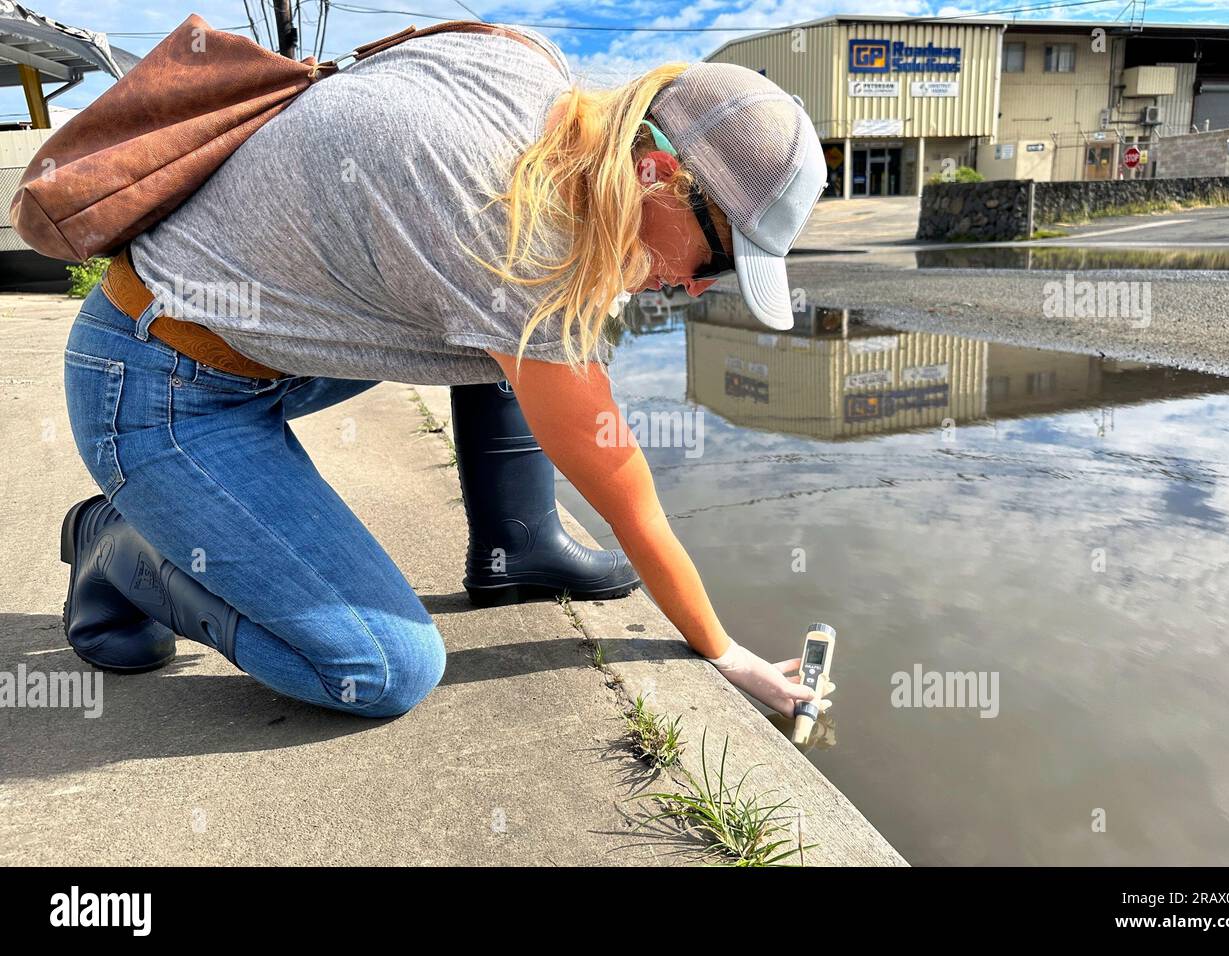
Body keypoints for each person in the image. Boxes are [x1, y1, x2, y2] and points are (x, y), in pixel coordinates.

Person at [58, 24, 827, 719]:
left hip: (271, 338)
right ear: (657, 172)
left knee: (521, 324)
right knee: (379, 670)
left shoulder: (529, 68)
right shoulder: (516, 243)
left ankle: (518, 544)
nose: (697, 286)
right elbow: (631, 500)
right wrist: (726, 653)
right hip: (153, 385)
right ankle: (120, 542)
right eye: (717, 259)